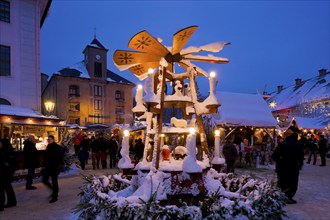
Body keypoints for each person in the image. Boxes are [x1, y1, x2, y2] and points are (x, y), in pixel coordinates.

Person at [271, 127, 304, 204]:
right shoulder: (298, 144)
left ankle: (281, 196)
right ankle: (289, 197)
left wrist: (281, 162)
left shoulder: (282, 144)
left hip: (282, 167)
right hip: (293, 168)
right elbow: (301, 157)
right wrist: (299, 166)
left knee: (282, 182)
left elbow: (274, 156)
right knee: (292, 183)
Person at [42, 135, 64, 203]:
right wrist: (43, 165)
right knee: (45, 180)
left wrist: (61, 165)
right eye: (48, 139)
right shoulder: (48, 147)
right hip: (48, 167)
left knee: (54, 182)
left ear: (53, 140)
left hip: (54, 167)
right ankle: (55, 190)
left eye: (50, 139)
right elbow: (45, 157)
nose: (49, 140)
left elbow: (60, 157)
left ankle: (55, 196)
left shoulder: (57, 147)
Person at [0, 139, 17, 212]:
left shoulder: (6, 151)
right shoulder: (7, 150)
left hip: (5, 173)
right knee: (7, 187)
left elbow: (8, 163)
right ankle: (12, 202)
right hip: (6, 173)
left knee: (3, 188)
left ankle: (2, 205)